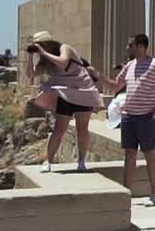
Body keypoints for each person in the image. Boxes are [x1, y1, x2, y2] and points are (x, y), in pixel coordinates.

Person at [25, 31, 103, 173]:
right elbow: (30, 74)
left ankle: (81, 161)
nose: (40, 49)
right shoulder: (45, 61)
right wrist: (30, 56)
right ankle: (48, 161)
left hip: (82, 92)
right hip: (66, 95)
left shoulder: (64, 48)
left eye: (41, 45)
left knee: (82, 129)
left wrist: (44, 52)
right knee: (59, 129)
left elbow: (63, 62)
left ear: (48, 43)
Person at [112, 34, 155, 206]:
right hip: (129, 115)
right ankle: (127, 193)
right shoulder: (130, 65)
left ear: (140, 47)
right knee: (129, 155)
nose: (127, 48)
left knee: (149, 154)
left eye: (130, 45)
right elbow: (115, 85)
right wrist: (96, 77)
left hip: (147, 116)